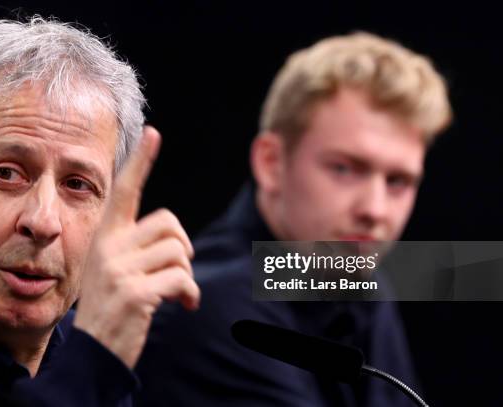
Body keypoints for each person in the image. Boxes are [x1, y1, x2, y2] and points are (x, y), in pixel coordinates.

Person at [0, 17, 200, 406]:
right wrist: (91, 371)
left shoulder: (117, 354)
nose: (42, 221)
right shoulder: (98, 359)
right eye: (7, 174)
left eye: (77, 185)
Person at [135, 32, 451, 406]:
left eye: (398, 181)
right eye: (345, 168)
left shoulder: (359, 278)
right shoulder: (211, 309)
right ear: (271, 163)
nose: (376, 209)